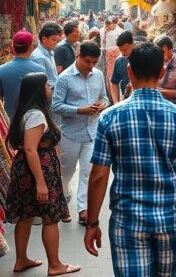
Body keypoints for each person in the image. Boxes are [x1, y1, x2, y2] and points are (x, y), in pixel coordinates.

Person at [83, 42, 176, 277]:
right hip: (169, 220)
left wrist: (92, 223)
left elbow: (99, 176)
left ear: (129, 72)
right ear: (161, 73)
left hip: (127, 221)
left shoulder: (110, 117)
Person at [3, 73, 81, 276]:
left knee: (26, 215)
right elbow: (31, 149)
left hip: (26, 169)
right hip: (38, 170)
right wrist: (41, 183)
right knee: (50, 218)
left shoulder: (25, 112)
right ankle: (55, 265)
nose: (50, 88)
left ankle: (21, 260)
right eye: (47, 85)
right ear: (39, 90)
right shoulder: (36, 115)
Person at [52, 42, 109, 224]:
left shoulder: (98, 75)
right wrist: (80, 110)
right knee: (66, 172)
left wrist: (102, 105)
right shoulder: (64, 78)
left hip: (92, 132)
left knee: (87, 172)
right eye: (87, 61)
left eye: (94, 62)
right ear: (78, 55)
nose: (91, 66)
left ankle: (83, 209)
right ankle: (64, 197)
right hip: (70, 134)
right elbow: (56, 105)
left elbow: (104, 97)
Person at [0, 31, 46, 118]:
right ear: (31, 47)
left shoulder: (0, 70)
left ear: (12, 47)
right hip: (34, 120)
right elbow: (44, 97)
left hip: (10, 120)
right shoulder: (40, 70)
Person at [154, 36, 176, 108]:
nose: (159, 54)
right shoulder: (153, 61)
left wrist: (161, 91)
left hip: (173, 107)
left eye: (162, 52)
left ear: (171, 50)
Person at [32, 22, 63, 88]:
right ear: (44, 39)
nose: (56, 43)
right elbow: (42, 84)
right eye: (53, 40)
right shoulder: (39, 57)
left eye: (57, 41)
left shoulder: (50, 52)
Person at [109, 30, 134, 102]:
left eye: (125, 50)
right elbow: (114, 83)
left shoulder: (144, 58)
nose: (123, 53)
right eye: (121, 50)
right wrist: (116, 103)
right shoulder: (120, 61)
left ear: (132, 44)